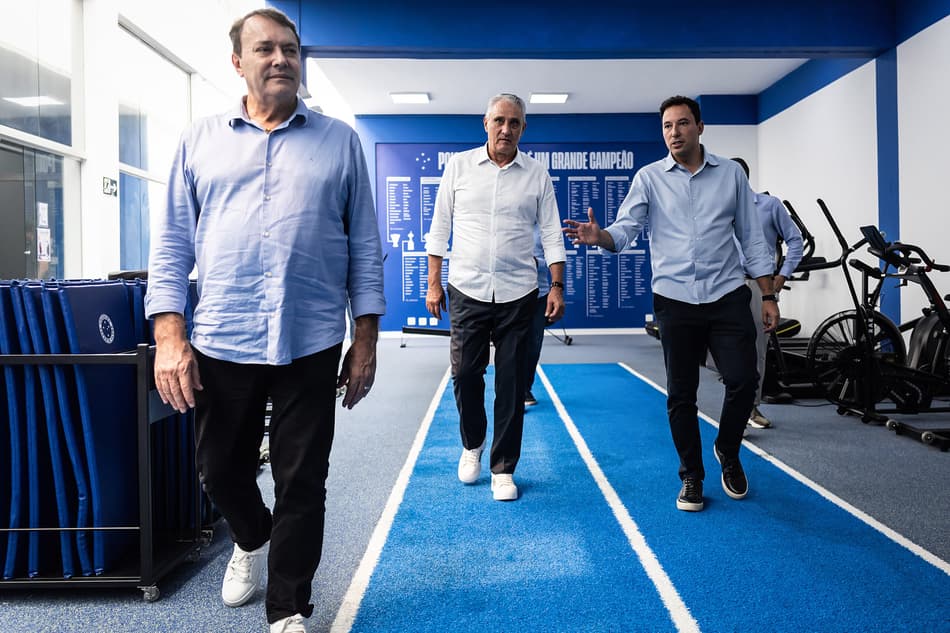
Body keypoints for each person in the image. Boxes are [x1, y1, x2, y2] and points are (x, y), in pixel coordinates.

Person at [143, 8, 385, 633]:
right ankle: (251, 537)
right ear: (238, 62)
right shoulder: (199, 140)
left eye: (291, 49)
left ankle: (288, 611)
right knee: (218, 469)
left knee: (303, 479)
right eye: (266, 49)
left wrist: (365, 340)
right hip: (224, 338)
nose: (281, 58)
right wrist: (169, 336)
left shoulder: (339, 142)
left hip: (309, 340)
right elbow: (171, 243)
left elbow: (364, 245)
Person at [563, 95, 779, 513]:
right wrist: (600, 236)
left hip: (727, 293)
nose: (674, 132)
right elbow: (625, 230)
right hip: (675, 299)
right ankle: (692, 477)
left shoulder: (731, 174)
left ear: (699, 127)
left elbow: (753, 238)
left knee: (744, 379)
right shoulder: (649, 178)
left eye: (682, 123)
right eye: (666, 126)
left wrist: (767, 295)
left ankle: (728, 451)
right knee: (681, 394)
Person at [425, 93, 566, 502]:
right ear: (485, 123)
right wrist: (434, 283)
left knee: (511, 382)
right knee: (465, 374)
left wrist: (556, 286)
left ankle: (504, 467)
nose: (506, 129)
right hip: (467, 289)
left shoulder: (536, 175)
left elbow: (553, 233)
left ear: (524, 128)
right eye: (499, 121)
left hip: (519, 293)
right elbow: (438, 230)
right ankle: (473, 444)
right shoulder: (459, 167)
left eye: (515, 123)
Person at [731, 157, 804, 429]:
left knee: (756, 350)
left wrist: (782, 276)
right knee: (728, 350)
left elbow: (795, 240)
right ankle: (737, 407)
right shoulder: (721, 210)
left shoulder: (769, 205)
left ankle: (751, 409)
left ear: (742, 177)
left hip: (757, 286)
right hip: (726, 284)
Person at [524, 229, 550, 408]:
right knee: (511, 345)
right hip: (510, 294)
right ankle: (514, 393)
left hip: (539, 295)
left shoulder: (544, 229)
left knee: (533, 346)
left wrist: (535, 262)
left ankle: (525, 387)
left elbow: (554, 260)